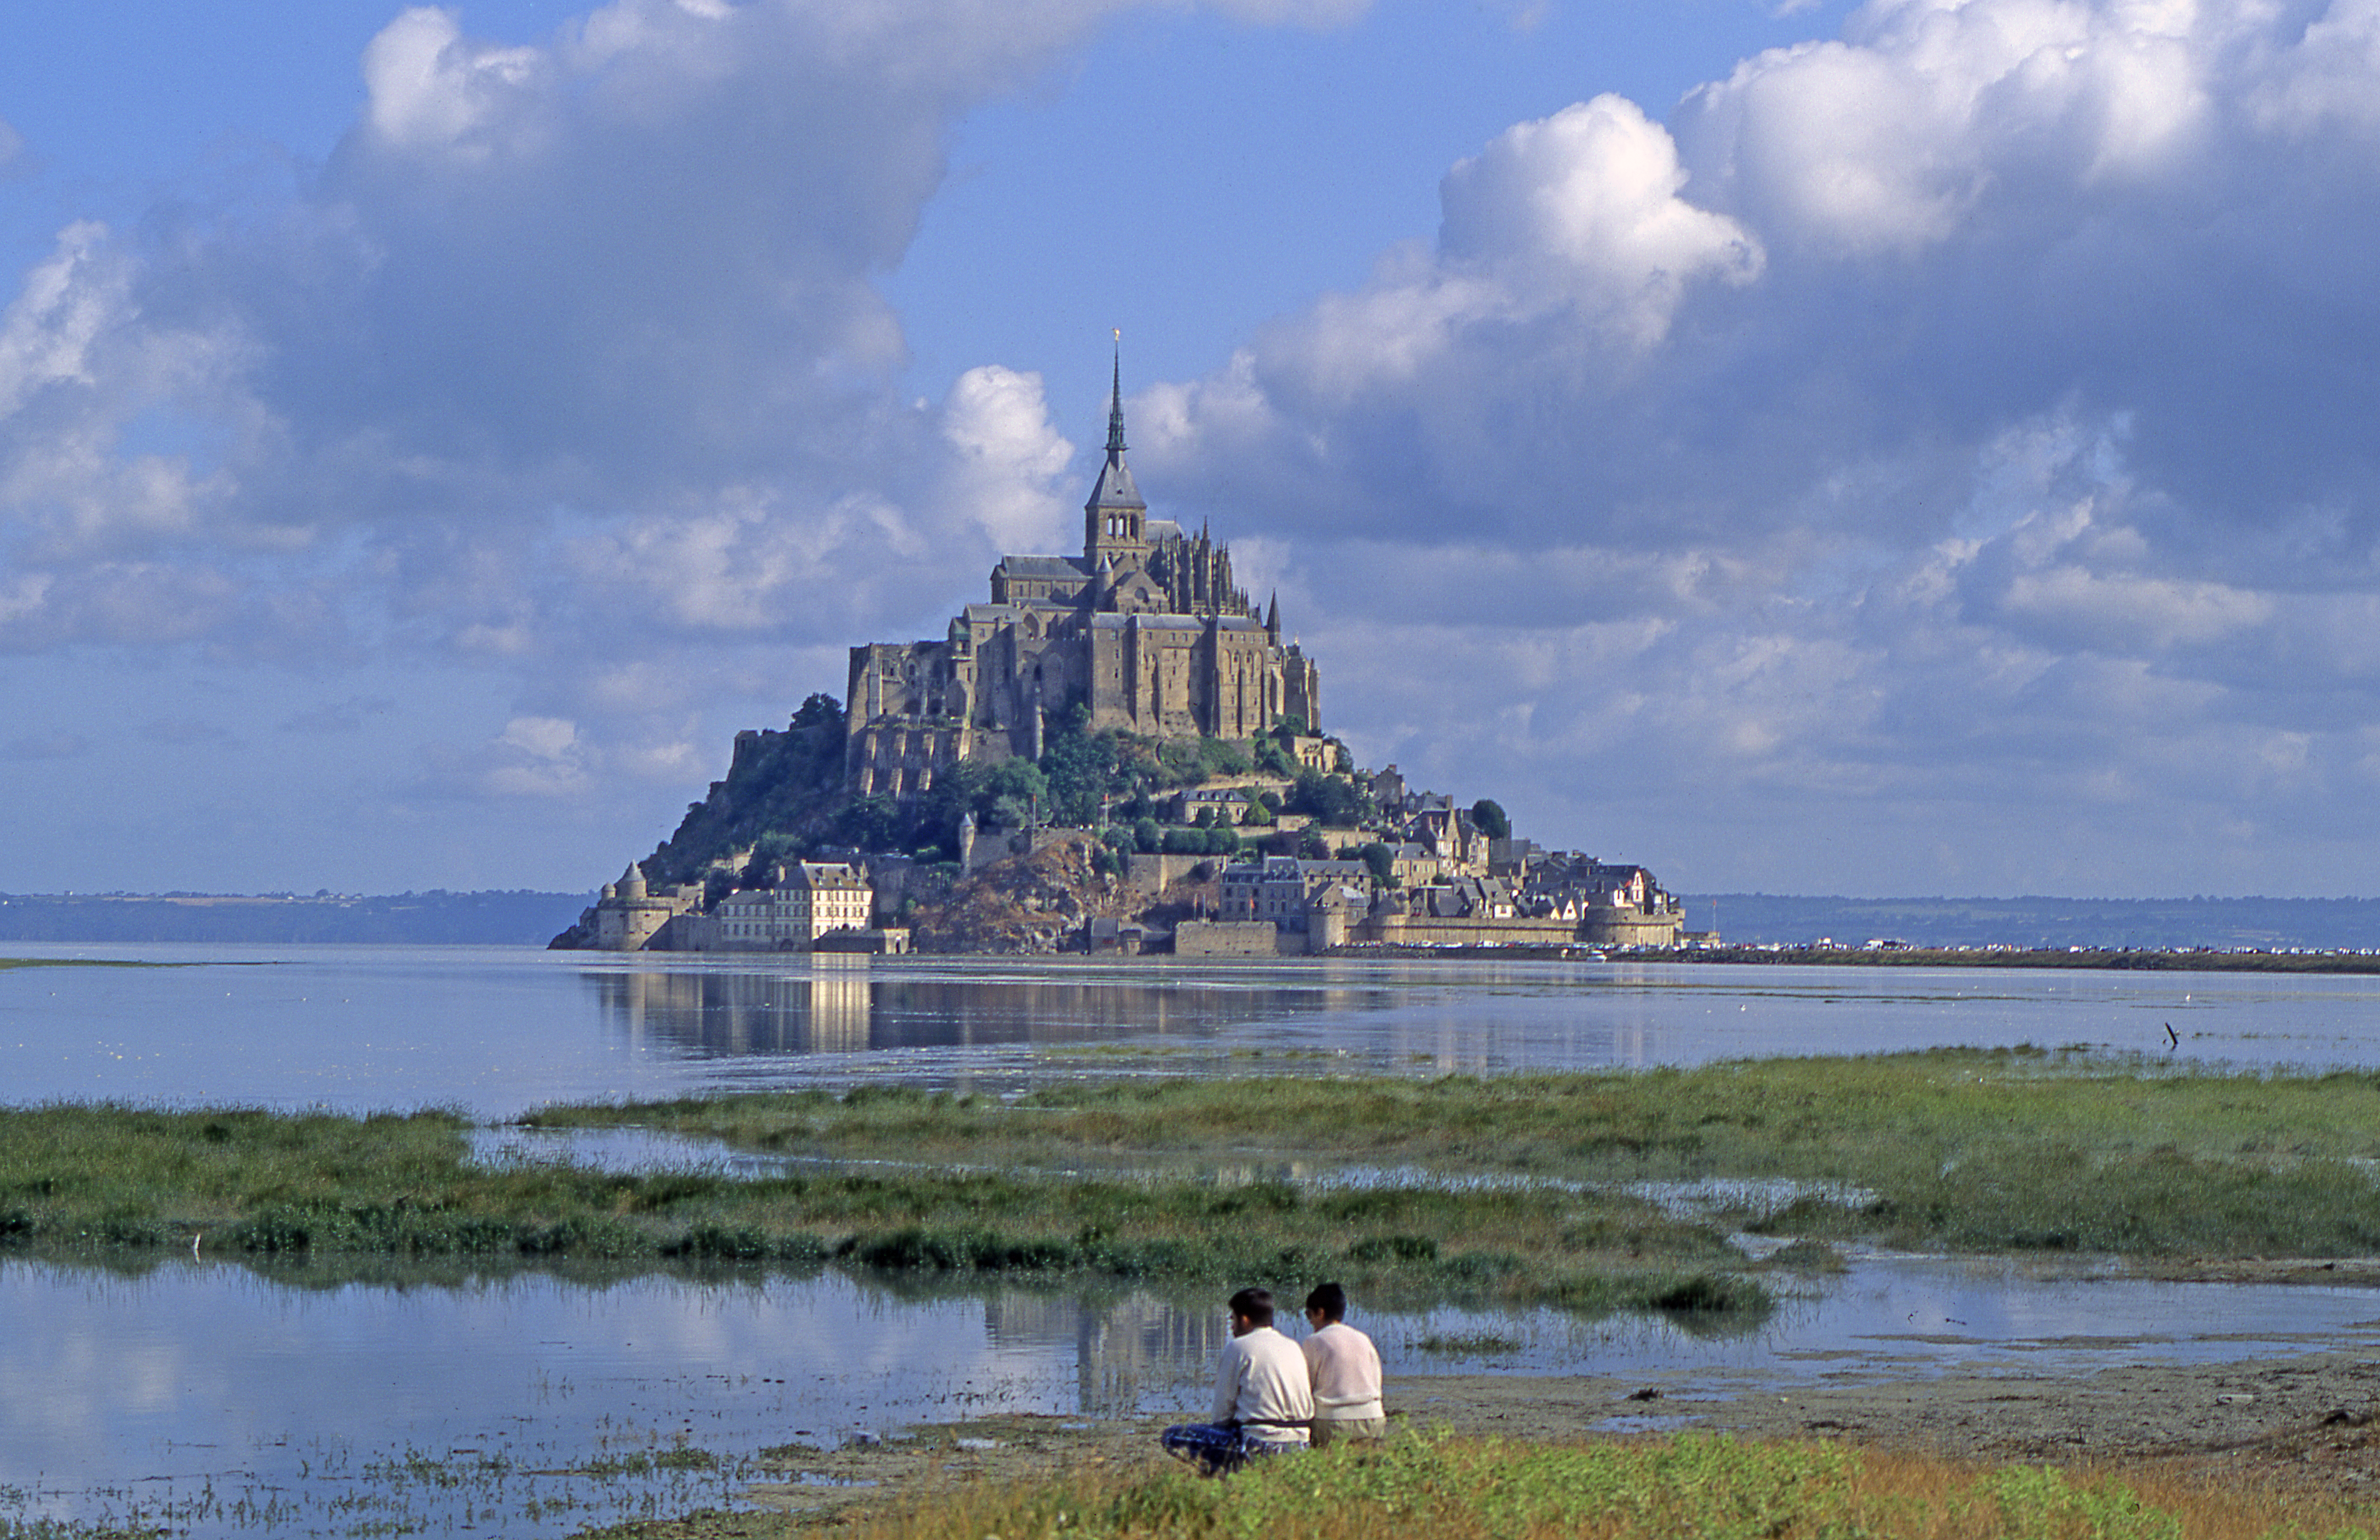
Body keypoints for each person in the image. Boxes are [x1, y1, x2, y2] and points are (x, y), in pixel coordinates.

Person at [1159, 1287, 1313, 1475]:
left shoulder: (1238, 1347)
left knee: (1172, 1436)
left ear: (1245, 1320)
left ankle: (1225, 1479)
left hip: (1260, 1443)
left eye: (1233, 1319)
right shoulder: (1293, 1346)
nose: (1231, 1327)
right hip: (1300, 1444)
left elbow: (1221, 1416)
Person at [1301, 1281, 1384, 1448]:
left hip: (1334, 1421)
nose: (1309, 1320)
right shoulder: (1363, 1339)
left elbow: (1304, 1388)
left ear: (1320, 1313)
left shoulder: (1314, 1341)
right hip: (1373, 1418)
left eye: (1308, 1314)